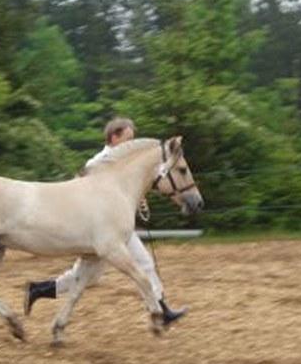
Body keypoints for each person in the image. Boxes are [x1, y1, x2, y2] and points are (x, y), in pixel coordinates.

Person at [23, 117, 188, 325]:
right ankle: (161, 310)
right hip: (100, 228)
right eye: (127, 139)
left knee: (89, 277)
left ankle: (38, 290)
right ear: (113, 137)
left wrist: (140, 200)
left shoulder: (124, 163)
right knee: (139, 265)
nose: (131, 145)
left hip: (113, 227)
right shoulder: (98, 161)